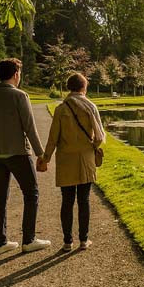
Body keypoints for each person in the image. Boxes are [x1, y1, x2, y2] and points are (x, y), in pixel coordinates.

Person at [0, 58, 51, 255]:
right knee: (31, 193)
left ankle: (0, 242)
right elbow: (29, 127)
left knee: (0, 197)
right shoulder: (20, 95)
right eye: (19, 73)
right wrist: (41, 155)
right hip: (18, 152)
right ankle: (29, 239)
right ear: (15, 74)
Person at [39, 73, 105, 251]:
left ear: (69, 87)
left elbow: (53, 138)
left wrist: (46, 158)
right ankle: (84, 240)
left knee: (67, 201)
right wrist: (92, 145)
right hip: (85, 158)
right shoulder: (90, 106)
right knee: (84, 200)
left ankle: (67, 241)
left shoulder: (61, 109)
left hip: (66, 158)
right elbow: (99, 137)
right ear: (84, 87)